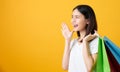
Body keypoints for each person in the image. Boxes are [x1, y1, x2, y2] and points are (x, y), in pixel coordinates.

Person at [61, 5, 99, 72]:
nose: (72, 21)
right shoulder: (73, 42)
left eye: (77, 17)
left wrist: (85, 42)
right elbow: (65, 66)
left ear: (88, 21)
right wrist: (67, 41)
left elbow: (90, 68)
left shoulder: (96, 41)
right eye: (72, 17)